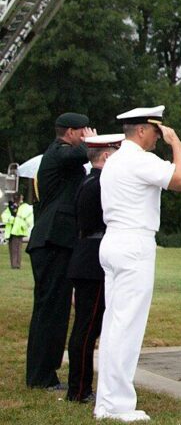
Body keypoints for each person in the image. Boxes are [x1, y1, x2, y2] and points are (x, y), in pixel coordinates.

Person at [95, 107, 181, 422]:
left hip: (113, 241)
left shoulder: (115, 160)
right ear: (141, 130)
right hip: (134, 243)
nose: (158, 135)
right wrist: (176, 142)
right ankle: (117, 405)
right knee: (127, 327)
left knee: (114, 325)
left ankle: (107, 401)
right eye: (156, 129)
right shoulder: (139, 160)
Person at [25, 112, 95, 390]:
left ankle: (42, 373)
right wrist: (93, 144)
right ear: (69, 133)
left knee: (52, 310)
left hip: (55, 242)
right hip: (53, 242)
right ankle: (41, 376)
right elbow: (77, 157)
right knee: (51, 311)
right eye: (83, 131)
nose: (87, 134)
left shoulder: (65, 153)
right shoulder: (58, 152)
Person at [66, 134, 122, 403]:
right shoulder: (99, 184)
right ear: (107, 157)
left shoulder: (89, 181)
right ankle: (79, 389)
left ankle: (79, 386)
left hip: (85, 255)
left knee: (85, 327)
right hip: (92, 260)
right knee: (88, 328)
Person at [2, 193, 32, 268]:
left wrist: (22, 225)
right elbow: (4, 216)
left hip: (17, 230)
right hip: (14, 231)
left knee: (15, 249)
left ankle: (16, 265)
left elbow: (28, 219)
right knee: (16, 249)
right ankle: (16, 264)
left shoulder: (22, 207)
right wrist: (13, 220)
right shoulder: (12, 207)